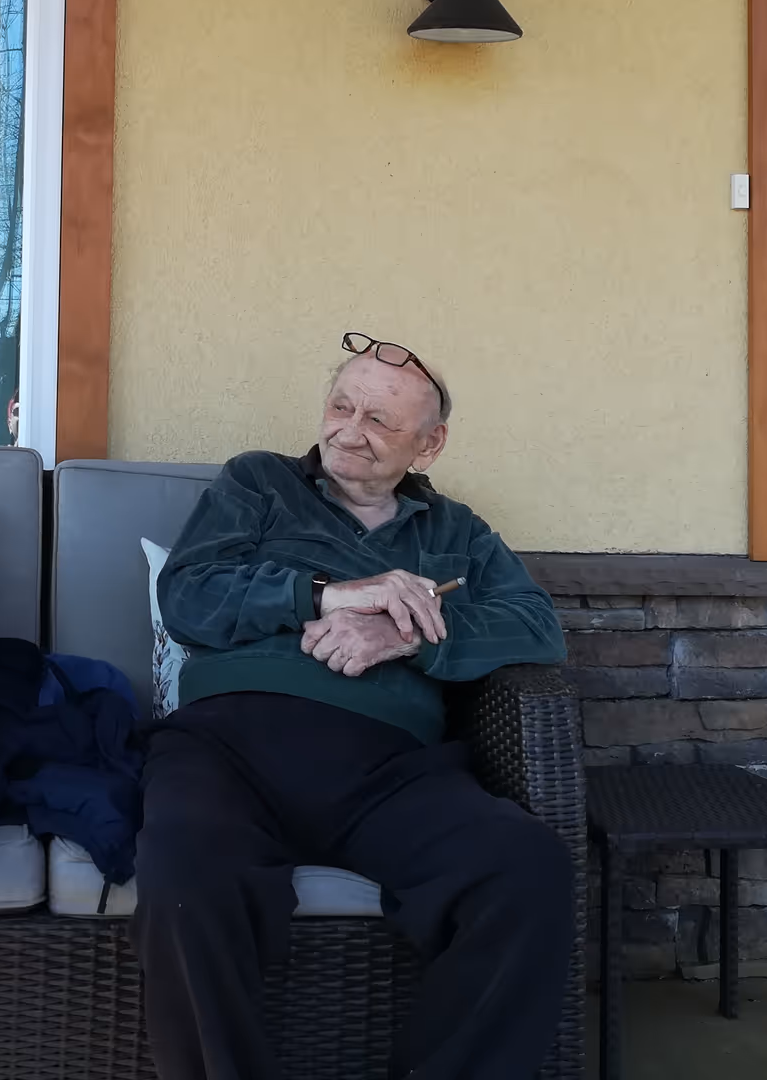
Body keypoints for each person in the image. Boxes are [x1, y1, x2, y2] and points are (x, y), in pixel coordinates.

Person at [132, 332, 571, 1080]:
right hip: (228, 746)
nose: (349, 431)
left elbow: (538, 628)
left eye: (379, 421)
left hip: (388, 768)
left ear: (428, 446)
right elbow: (188, 597)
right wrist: (327, 594)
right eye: (342, 406)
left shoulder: (456, 531)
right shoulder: (259, 483)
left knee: (525, 868)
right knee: (185, 875)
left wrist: (407, 636)